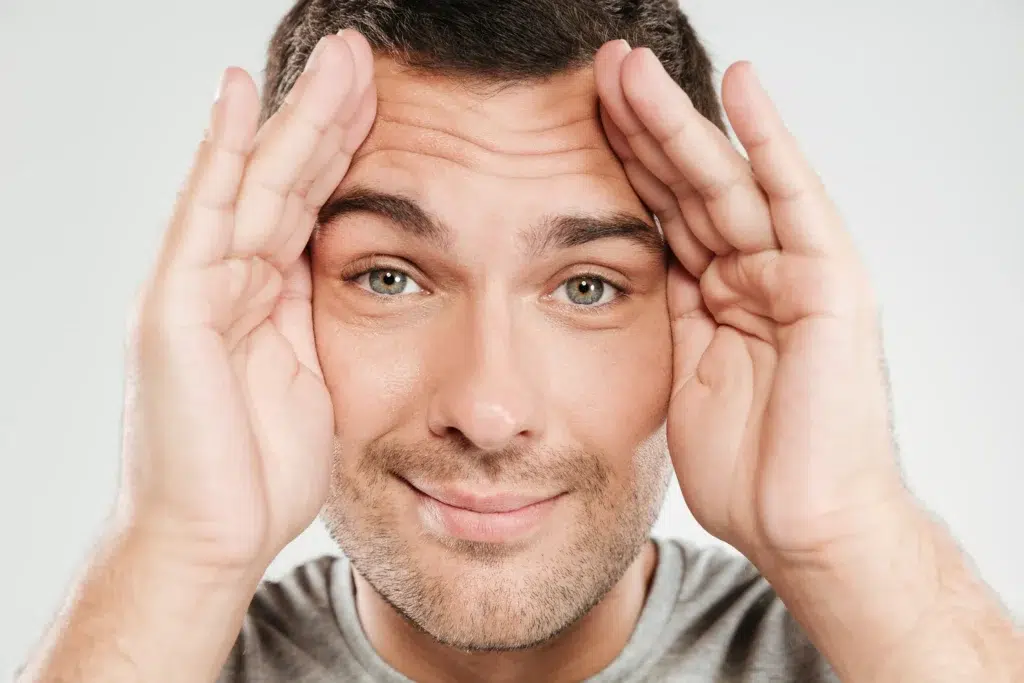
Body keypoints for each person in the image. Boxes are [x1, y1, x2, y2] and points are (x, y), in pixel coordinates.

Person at [17, 1, 1022, 681]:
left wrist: (847, 528)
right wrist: (177, 548)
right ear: (270, 297)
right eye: (389, 276)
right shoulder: (159, 646)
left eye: (586, 286)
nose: (489, 409)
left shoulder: (877, 647)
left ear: (702, 306)